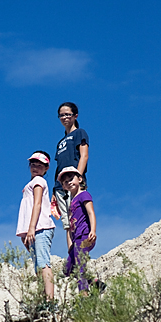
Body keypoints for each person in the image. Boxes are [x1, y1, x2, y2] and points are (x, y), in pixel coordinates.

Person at [16, 151, 55, 300]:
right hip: (34, 230)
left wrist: (31, 228)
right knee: (38, 265)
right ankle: (43, 298)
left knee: (43, 263)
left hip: (40, 227)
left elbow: (37, 204)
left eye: (40, 165)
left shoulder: (39, 181)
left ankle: (49, 300)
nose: (35, 167)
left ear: (46, 168)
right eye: (33, 164)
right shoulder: (31, 184)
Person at [51, 102, 89, 249]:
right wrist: (55, 189)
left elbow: (84, 156)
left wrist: (77, 177)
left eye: (68, 114)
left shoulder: (80, 133)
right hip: (61, 186)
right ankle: (71, 253)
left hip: (74, 183)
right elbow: (58, 165)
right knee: (67, 223)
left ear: (75, 116)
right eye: (62, 115)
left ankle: (81, 252)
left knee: (78, 217)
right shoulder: (60, 142)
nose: (65, 117)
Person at [58, 166, 97, 292]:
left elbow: (91, 213)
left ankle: (84, 295)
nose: (69, 182)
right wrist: (70, 245)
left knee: (80, 265)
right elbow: (70, 227)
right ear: (63, 186)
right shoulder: (71, 203)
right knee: (68, 269)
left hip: (85, 235)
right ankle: (95, 283)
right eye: (65, 182)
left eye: (71, 178)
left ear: (79, 179)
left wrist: (93, 230)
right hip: (76, 240)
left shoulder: (84, 195)